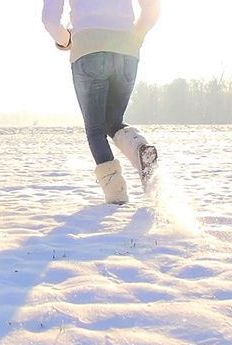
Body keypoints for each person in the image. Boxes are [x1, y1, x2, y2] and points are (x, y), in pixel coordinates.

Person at [42, 0, 161, 205]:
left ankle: (117, 194)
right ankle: (140, 148)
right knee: (113, 122)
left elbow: (49, 20)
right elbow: (152, 6)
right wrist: (136, 36)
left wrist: (66, 39)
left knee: (96, 129)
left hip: (89, 47)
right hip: (127, 49)